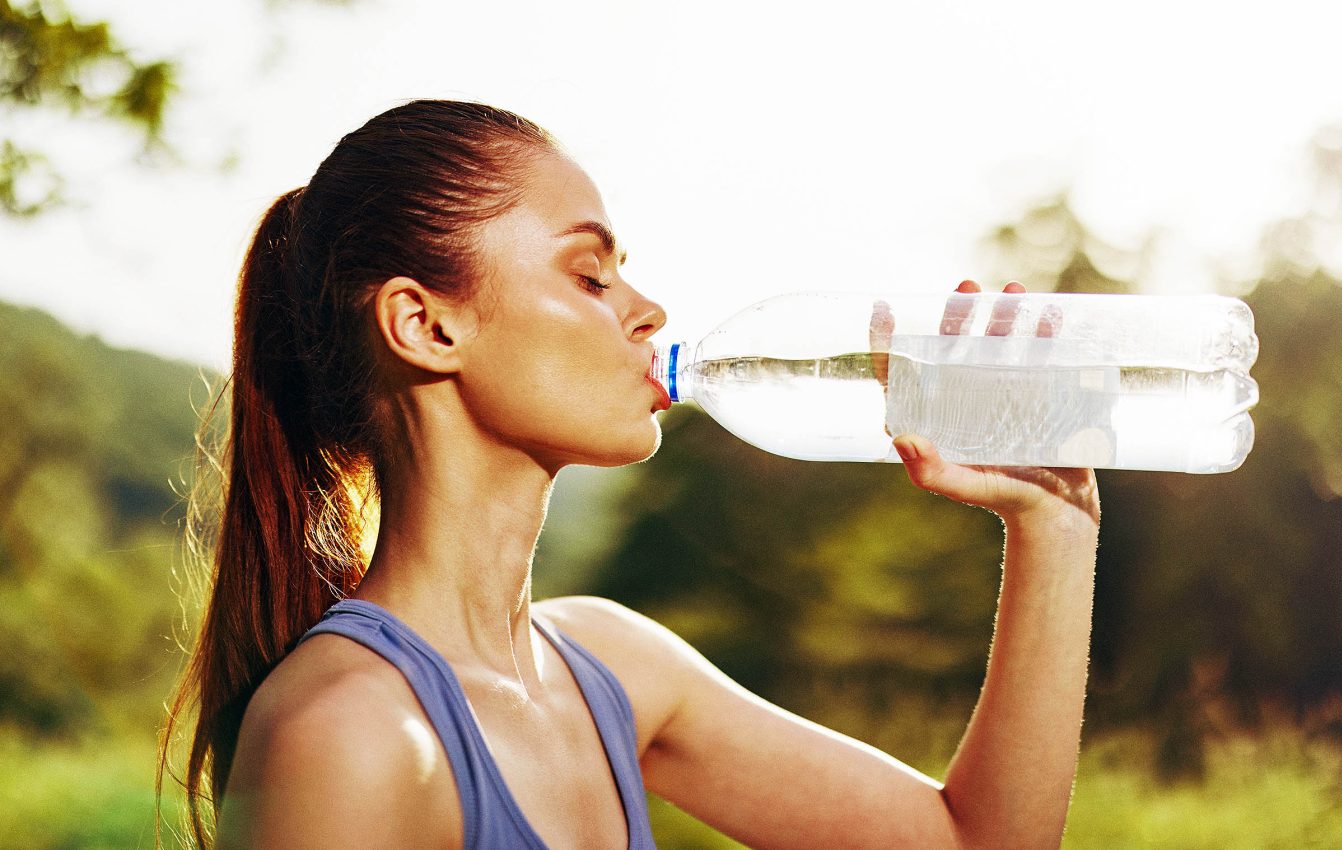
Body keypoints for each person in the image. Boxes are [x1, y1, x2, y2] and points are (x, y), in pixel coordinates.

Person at [158, 99, 1099, 850]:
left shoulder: (612, 664)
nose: (648, 312)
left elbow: (976, 841)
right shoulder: (346, 736)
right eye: (588, 275)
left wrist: (1056, 520)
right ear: (425, 325)